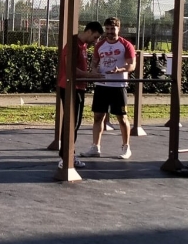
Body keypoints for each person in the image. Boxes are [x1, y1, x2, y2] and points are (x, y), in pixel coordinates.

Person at [82, 17, 136, 160]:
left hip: (118, 85)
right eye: (108, 29)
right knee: (98, 117)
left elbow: (132, 65)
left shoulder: (126, 45)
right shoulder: (100, 45)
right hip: (102, 85)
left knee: (122, 117)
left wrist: (121, 69)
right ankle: (95, 147)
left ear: (119, 29)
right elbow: (94, 63)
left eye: (113, 29)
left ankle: (126, 147)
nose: (110, 32)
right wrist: (94, 71)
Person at [56, 21, 104, 169]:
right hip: (70, 87)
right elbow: (70, 68)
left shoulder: (83, 45)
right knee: (71, 123)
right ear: (89, 31)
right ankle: (65, 157)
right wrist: (91, 75)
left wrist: (90, 74)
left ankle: (69, 154)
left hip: (79, 87)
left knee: (75, 123)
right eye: (95, 37)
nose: (95, 41)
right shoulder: (73, 44)